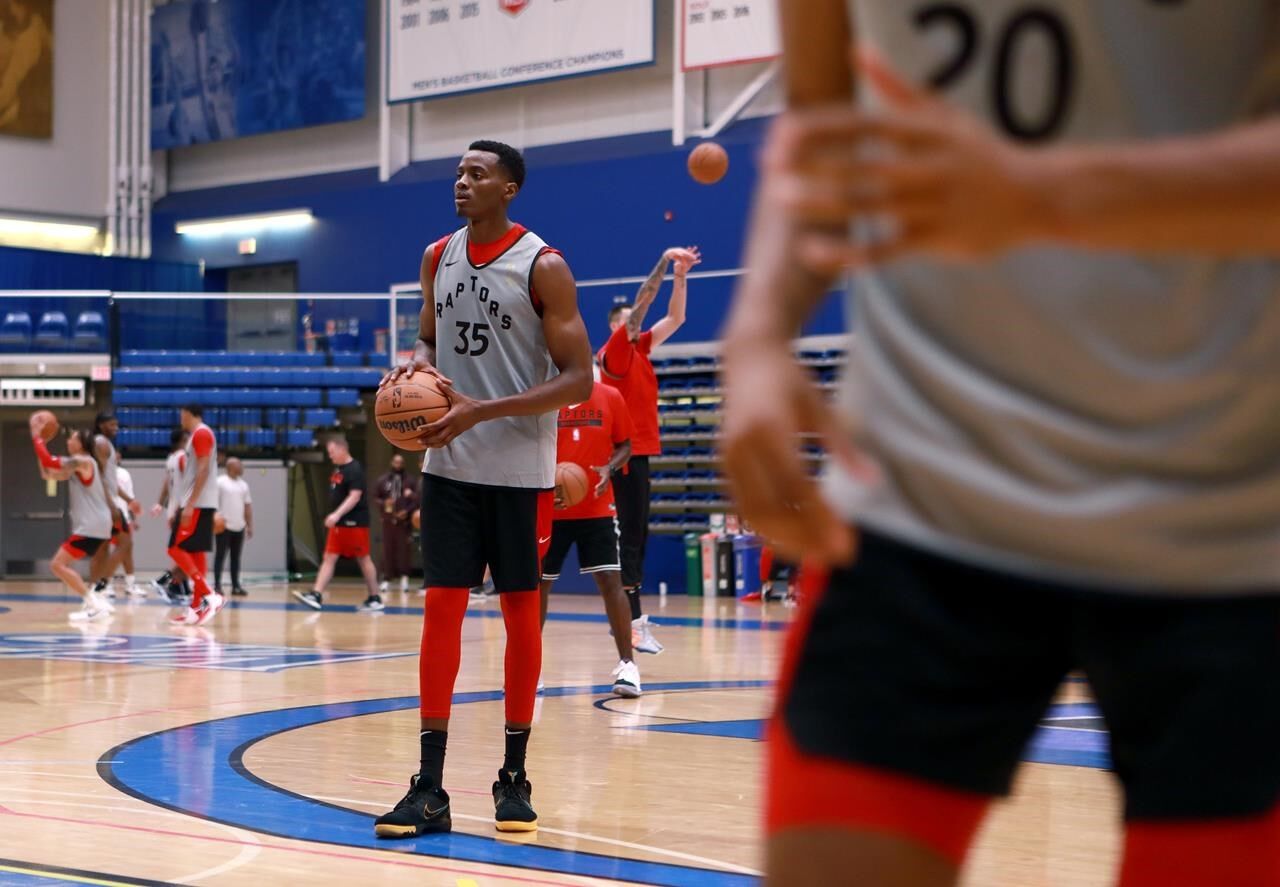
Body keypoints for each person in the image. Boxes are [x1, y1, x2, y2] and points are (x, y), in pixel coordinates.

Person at [720, 4, 1280, 885]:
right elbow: (828, 126)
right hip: (915, 489)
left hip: (1237, 523)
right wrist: (756, 333)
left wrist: (1039, 195)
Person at [373, 140, 593, 839]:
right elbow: (430, 344)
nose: (462, 182)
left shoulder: (544, 266)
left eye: (478, 174)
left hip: (520, 472)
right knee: (441, 612)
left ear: (510, 188)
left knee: (521, 620)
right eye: (459, 172)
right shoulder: (437, 256)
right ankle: (430, 787)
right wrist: (412, 377)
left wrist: (481, 409)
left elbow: (579, 378)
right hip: (450, 468)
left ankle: (513, 776)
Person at [599, 244, 701, 655]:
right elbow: (644, 301)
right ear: (617, 327)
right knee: (629, 540)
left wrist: (681, 276)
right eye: (629, 321)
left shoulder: (641, 349)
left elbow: (677, 317)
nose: (637, 321)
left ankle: (632, 620)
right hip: (623, 455)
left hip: (640, 454)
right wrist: (662, 262)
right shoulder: (617, 352)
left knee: (638, 537)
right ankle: (632, 622)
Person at [539, 374, 641, 698]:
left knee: (612, 581)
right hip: (549, 509)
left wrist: (609, 468)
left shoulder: (609, 397)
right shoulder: (545, 399)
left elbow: (625, 445)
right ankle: (529, 668)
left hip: (597, 507)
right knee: (537, 586)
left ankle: (628, 666)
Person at [29, 419, 114, 623]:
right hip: (96, 525)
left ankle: (93, 603)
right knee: (60, 564)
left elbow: (50, 462)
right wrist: (42, 446)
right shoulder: (78, 465)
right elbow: (48, 473)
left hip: (92, 525)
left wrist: (37, 438)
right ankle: (94, 601)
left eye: (72, 438)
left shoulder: (83, 461)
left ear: (81, 443)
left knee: (57, 565)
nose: (68, 441)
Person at [292, 436, 383, 612]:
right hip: (340, 525)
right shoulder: (339, 469)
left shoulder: (354, 469)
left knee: (363, 558)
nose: (330, 456)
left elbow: (355, 496)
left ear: (342, 449)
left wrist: (336, 514)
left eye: (332, 452)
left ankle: (375, 597)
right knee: (329, 557)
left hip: (354, 522)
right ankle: (316, 594)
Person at [167, 404, 223, 626]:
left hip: (198, 503)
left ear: (191, 414)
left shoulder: (201, 433)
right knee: (195, 553)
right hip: (197, 502)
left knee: (175, 548)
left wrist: (189, 505)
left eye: (182, 414)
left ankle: (210, 594)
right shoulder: (197, 435)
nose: (180, 418)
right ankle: (195, 609)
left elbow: (203, 469)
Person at [90, 412, 143, 599]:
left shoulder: (104, 443)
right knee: (124, 544)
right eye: (112, 424)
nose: (116, 428)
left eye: (117, 425)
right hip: (106, 504)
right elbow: (101, 479)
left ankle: (97, 589)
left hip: (107, 502)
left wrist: (129, 500)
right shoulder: (101, 443)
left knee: (105, 548)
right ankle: (102, 584)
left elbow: (111, 481)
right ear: (101, 424)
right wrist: (112, 505)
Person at [149, 428, 190, 604]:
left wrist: (160, 503)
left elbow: (167, 483)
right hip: (182, 509)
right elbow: (189, 484)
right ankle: (163, 581)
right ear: (183, 439)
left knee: (184, 551)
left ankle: (178, 587)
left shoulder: (171, 457)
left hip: (173, 508)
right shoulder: (182, 457)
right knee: (189, 553)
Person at [374, 452, 418, 595]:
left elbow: (417, 500)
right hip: (388, 520)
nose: (398, 465)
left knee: (404, 550)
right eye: (396, 462)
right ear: (392, 463)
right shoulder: (383, 480)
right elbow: (376, 497)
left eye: (401, 463)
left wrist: (407, 511)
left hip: (404, 521)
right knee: (388, 549)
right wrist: (383, 503)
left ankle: (404, 578)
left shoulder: (410, 481)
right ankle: (387, 578)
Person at [214, 457, 253, 597]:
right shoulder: (220, 482)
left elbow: (247, 506)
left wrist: (249, 525)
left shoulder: (244, 485)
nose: (242, 467)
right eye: (239, 465)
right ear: (231, 467)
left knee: (236, 558)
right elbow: (212, 502)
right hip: (224, 526)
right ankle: (217, 586)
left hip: (239, 526)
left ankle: (236, 586)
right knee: (220, 556)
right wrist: (215, 517)